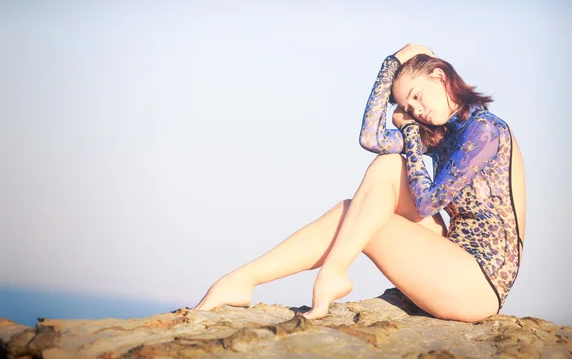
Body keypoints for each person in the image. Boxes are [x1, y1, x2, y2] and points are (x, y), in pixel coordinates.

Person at [193, 43, 526, 322]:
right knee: (377, 182)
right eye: (408, 107)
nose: (416, 110)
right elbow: (371, 137)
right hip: (452, 257)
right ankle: (242, 280)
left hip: (478, 285)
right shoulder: (442, 134)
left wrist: (409, 130)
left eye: (417, 96)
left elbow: (427, 203)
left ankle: (330, 274)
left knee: (368, 219)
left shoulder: (485, 131)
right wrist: (390, 65)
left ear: (439, 75)